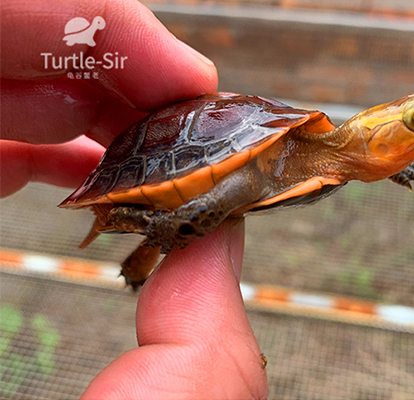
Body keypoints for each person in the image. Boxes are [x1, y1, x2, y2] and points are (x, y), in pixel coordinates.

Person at [0, 0, 268, 398]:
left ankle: (150, 246)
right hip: (164, 167)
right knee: (183, 220)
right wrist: (176, 226)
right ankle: (151, 242)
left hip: (186, 168)